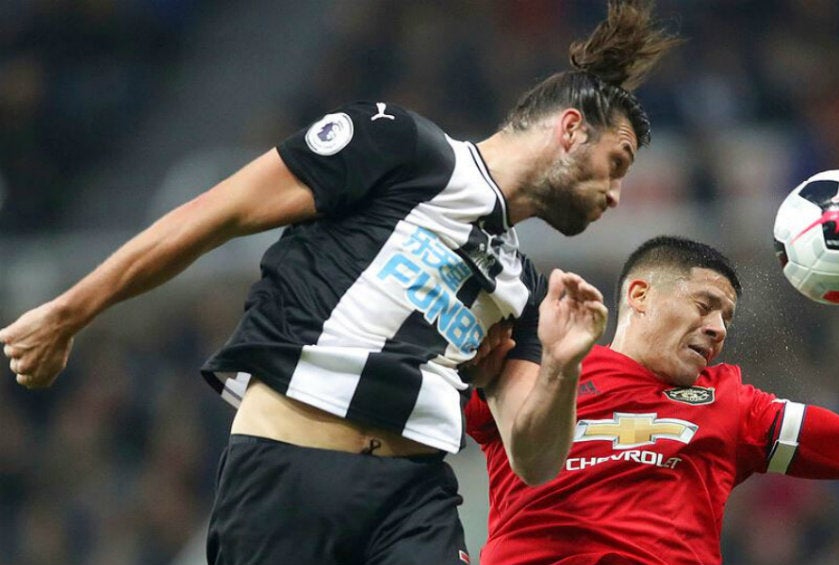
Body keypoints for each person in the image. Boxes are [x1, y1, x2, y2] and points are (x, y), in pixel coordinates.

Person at [0, 2, 679, 564]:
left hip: (414, 500)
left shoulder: (528, 293)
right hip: (288, 470)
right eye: (615, 163)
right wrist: (69, 312)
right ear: (568, 129)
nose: (617, 193)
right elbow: (219, 212)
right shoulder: (400, 147)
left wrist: (561, 364)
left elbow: (533, 458)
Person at [466, 235, 839, 565]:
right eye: (705, 306)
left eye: (726, 319)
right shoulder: (537, 368)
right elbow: (412, 428)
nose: (716, 329)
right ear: (640, 296)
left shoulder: (731, 402)